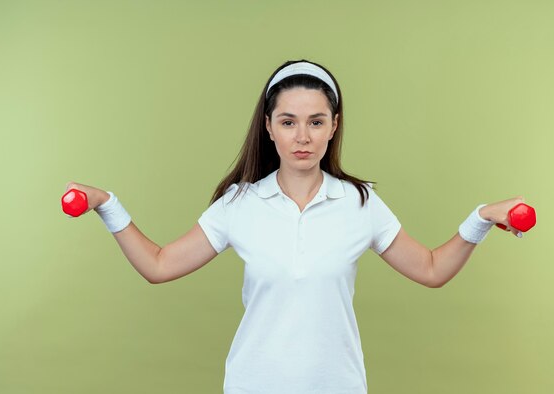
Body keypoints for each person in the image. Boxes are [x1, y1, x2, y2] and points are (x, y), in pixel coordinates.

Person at [64, 59, 526, 393]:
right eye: (288, 122)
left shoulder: (359, 202)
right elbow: (159, 265)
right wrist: (108, 205)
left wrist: (481, 218)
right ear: (269, 127)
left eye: (315, 122)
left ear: (333, 126)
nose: (302, 137)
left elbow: (430, 269)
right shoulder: (239, 203)